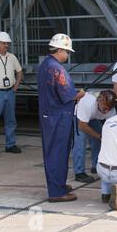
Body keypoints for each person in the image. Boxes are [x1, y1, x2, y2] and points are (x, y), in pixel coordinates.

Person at [37, 33, 85, 203]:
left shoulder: (45, 64)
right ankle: (56, 191)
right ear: (59, 50)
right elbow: (67, 94)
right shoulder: (57, 69)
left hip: (49, 115)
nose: (68, 55)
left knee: (52, 152)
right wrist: (79, 94)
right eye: (67, 52)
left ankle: (58, 185)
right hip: (58, 117)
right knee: (58, 153)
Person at [72, 90, 117, 183]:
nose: (106, 111)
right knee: (80, 142)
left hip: (94, 117)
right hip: (80, 118)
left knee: (101, 139)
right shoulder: (87, 103)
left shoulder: (111, 110)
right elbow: (82, 126)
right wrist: (99, 136)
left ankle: (96, 166)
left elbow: (113, 128)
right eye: (105, 108)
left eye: (109, 109)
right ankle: (79, 173)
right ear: (99, 101)